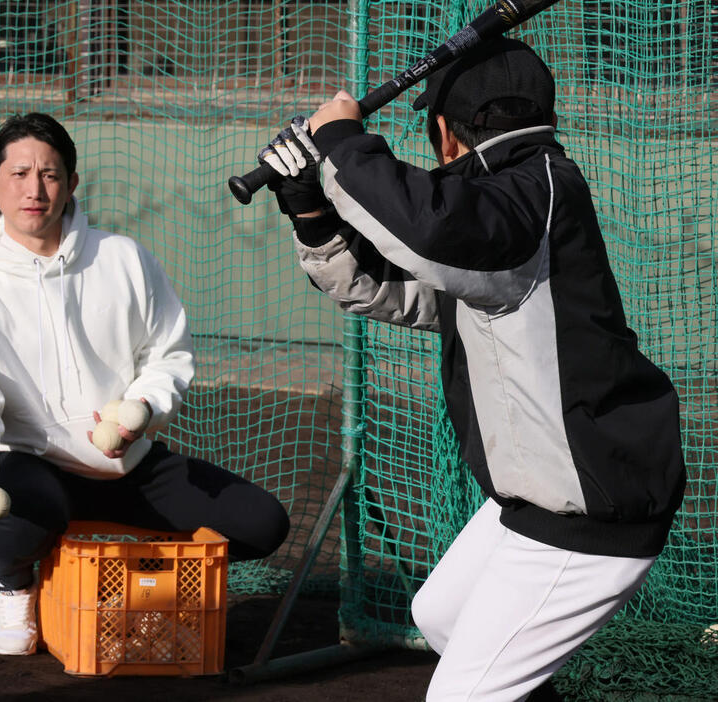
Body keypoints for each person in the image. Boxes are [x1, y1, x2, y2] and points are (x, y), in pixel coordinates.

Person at [259, 38, 686, 701]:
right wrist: (310, 207)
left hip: (591, 510)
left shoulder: (529, 198)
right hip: (546, 494)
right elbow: (397, 284)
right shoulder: (513, 211)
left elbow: (428, 230)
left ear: (447, 136)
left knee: (461, 695)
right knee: (443, 617)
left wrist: (343, 140)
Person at [0, 112, 290, 656]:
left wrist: (140, 406)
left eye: (49, 175)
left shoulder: (123, 257)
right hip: (35, 462)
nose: (34, 189)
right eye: (19, 174)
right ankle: (14, 584)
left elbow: (169, 352)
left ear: (71, 183)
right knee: (15, 519)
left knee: (263, 525)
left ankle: (139, 586)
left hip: (127, 460)